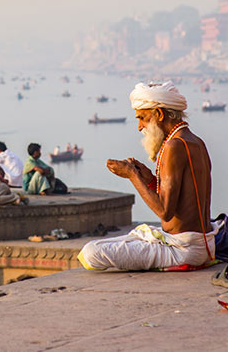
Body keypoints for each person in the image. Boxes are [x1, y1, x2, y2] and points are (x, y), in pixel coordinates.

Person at [78, 81, 220, 271]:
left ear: (159, 115)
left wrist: (132, 176)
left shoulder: (174, 146)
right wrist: (150, 179)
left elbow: (165, 212)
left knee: (92, 252)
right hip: (202, 244)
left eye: (142, 118)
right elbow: (180, 202)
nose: (139, 127)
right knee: (121, 240)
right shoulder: (196, 141)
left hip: (184, 249)